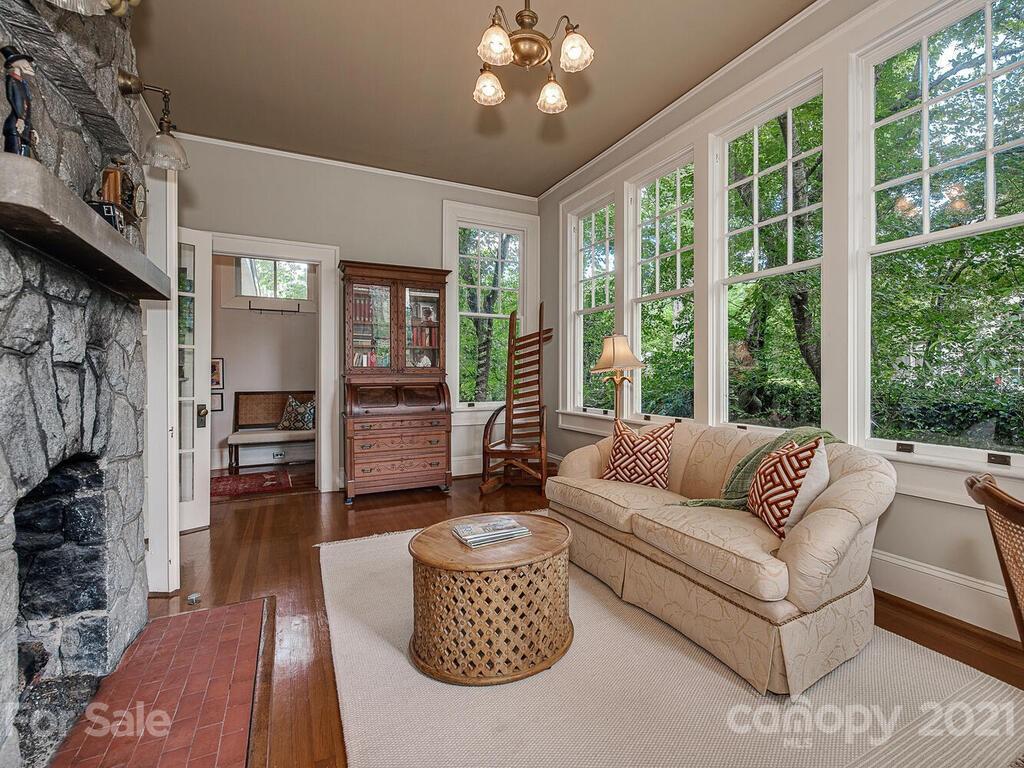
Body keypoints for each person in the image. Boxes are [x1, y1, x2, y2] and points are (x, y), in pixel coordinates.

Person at [3, 46, 38, 158]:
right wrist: (20, 118)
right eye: (20, 60)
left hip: (24, 127)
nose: (26, 64)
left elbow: (26, 107)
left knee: (25, 157)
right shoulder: (12, 80)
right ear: (13, 63)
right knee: (15, 158)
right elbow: (12, 98)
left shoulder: (23, 84)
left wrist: (32, 128)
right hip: (16, 126)